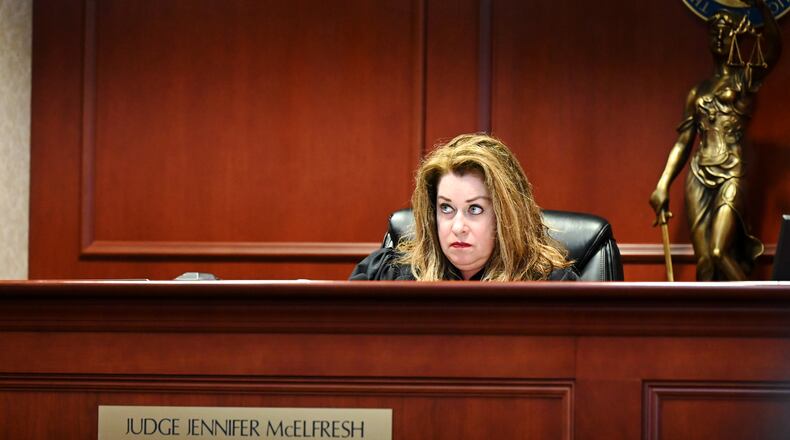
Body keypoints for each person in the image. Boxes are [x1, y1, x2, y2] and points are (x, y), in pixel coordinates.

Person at [649, 0, 780, 281]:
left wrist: (762, 8)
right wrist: (662, 184)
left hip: (732, 172)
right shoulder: (698, 91)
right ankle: (704, 323)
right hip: (698, 175)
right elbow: (684, 142)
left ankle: (761, 313)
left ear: (734, 36)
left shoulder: (744, 79)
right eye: (714, 33)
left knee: (720, 251)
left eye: (724, 32)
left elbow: (773, 48)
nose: (719, 37)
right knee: (706, 261)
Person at [350, 133, 578, 281]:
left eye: (475, 209)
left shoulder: (552, 287)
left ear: (507, 217)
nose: (458, 227)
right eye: (446, 208)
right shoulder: (385, 274)